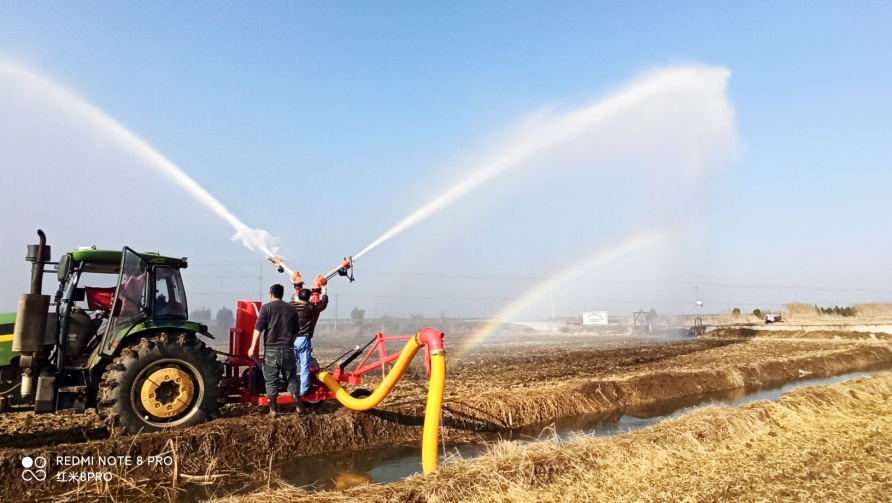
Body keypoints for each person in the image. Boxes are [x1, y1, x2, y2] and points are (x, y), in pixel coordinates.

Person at [248, 284, 302, 416]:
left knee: (271, 381)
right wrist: (289, 342)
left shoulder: (266, 308)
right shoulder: (291, 309)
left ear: (271, 294)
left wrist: (252, 347)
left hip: (271, 350)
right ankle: (298, 405)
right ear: (282, 294)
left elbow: (258, 329)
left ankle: (273, 410)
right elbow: (296, 331)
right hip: (288, 349)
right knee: (292, 379)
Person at [291, 284, 329, 397]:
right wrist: (324, 294)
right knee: (304, 365)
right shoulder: (309, 307)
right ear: (309, 298)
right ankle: (303, 390)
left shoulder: (291, 305)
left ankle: (292, 388)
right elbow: (322, 306)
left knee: (293, 364)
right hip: (303, 339)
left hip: (291, 339)